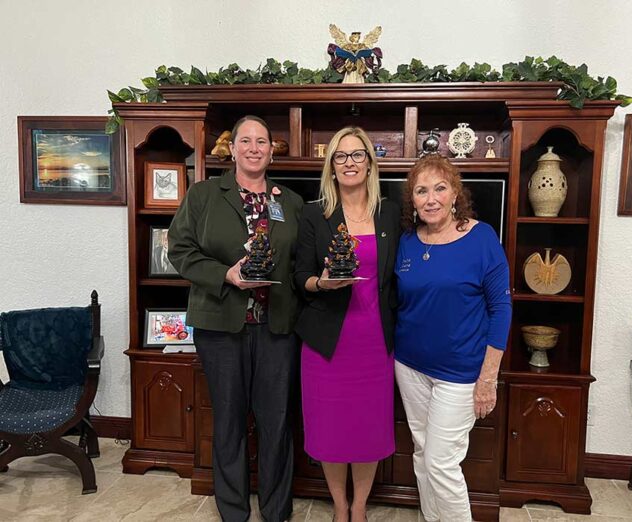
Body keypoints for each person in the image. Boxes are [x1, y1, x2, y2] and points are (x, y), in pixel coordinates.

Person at [168, 115, 304, 522]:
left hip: (277, 327)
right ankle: (233, 511)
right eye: (245, 140)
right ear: (232, 148)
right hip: (221, 326)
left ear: (270, 149)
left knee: (276, 421)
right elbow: (180, 250)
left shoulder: (290, 202)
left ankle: (277, 510)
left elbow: (299, 263)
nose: (254, 148)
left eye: (262, 141)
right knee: (228, 420)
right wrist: (226, 275)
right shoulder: (205, 194)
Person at [394, 154, 512, 522]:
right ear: (412, 200)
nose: (431, 198)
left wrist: (488, 378)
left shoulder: (481, 238)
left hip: (460, 373)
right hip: (409, 365)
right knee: (421, 451)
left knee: (442, 463)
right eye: (421, 191)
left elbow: (501, 310)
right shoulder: (408, 243)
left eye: (440, 188)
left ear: (455, 193)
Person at [294, 127, 400, 522]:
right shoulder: (313, 214)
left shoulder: (389, 211)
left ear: (370, 164)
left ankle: (360, 507)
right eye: (341, 156)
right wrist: (322, 282)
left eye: (357, 155)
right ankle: (339, 505)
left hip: (376, 341)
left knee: (368, 430)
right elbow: (299, 276)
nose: (349, 163)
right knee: (332, 430)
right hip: (326, 344)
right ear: (331, 166)